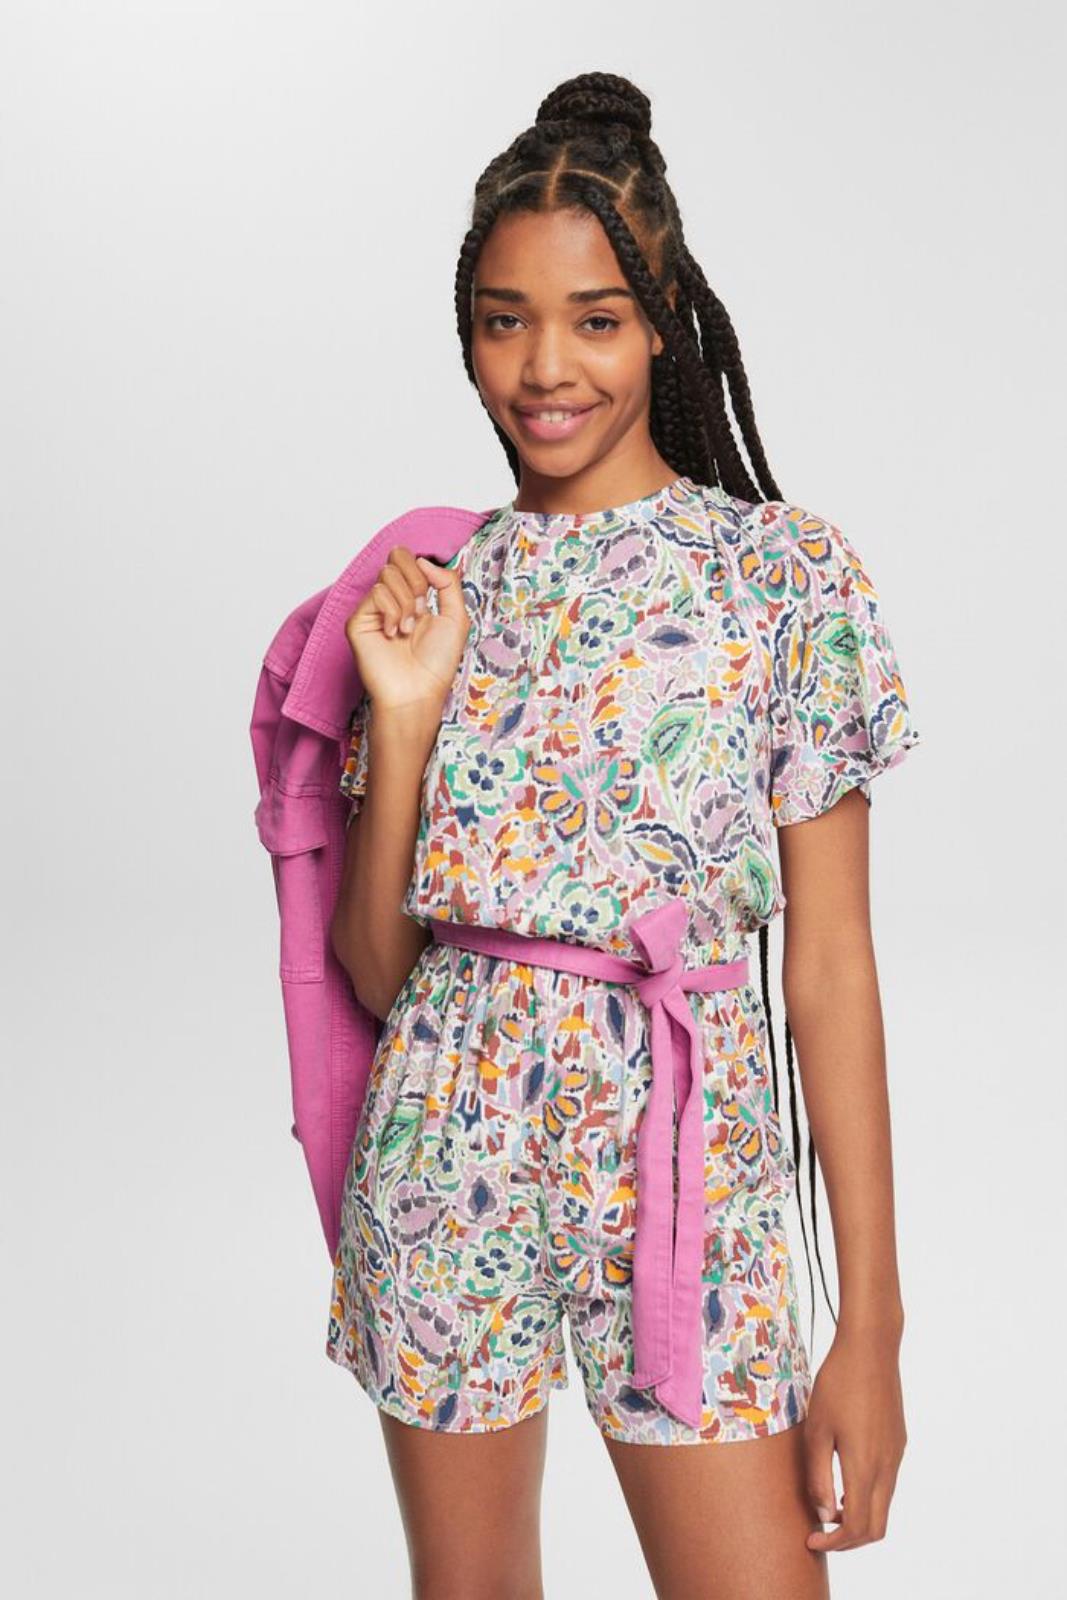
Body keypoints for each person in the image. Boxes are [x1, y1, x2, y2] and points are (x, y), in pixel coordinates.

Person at [325, 69, 919, 1600]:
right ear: (465, 336)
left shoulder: (780, 575)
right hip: (444, 1157)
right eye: (503, 321)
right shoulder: (437, 585)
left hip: (686, 1165)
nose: (545, 367)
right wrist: (405, 715)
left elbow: (830, 970)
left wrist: (871, 1323)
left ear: (662, 323)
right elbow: (381, 974)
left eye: (594, 318)